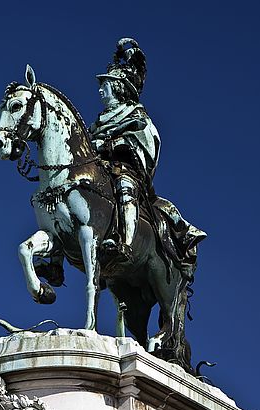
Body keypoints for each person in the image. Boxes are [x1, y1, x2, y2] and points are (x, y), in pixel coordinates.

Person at [89, 38, 160, 259]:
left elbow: (145, 142)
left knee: (124, 186)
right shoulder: (98, 121)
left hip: (124, 169)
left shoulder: (136, 114)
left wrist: (113, 145)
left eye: (105, 86)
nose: (101, 91)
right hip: (99, 168)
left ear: (118, 88)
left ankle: (126, 243)